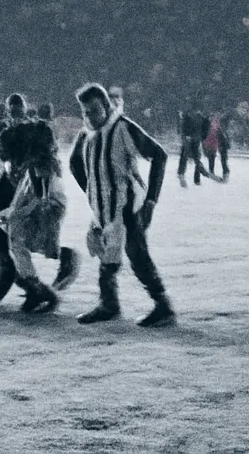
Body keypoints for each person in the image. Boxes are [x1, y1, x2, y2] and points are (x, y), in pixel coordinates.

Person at [70, 82, 174, 327]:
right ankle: (109, 304)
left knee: (137, 256)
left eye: (94, 111)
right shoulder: (85, 134)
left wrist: (150, 202)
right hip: (104, 209)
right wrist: (93, 192)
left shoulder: (123, 128)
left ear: (107, 106)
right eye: (85, 112)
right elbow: (74, 164)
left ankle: (163, 306)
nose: (89, 117)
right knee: (107, 255)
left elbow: (159, 155)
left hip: (128, 208)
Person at [0, 119, 80, 311]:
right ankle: (34, 289)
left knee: (21, 246)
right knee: (19, 247)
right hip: (38, 208)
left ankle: (42, 290)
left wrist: (15, 213)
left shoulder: (40, 167)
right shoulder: (33, 164)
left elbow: (39, 197)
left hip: (45, 209)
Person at [202, 115, 230, 181]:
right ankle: (218, 172)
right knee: (213, 157)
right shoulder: (212, 127)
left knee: (215, 158)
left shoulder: (218, 128)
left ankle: (220, 172)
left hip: (214, 144)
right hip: (212, 144)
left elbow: (222, 137)